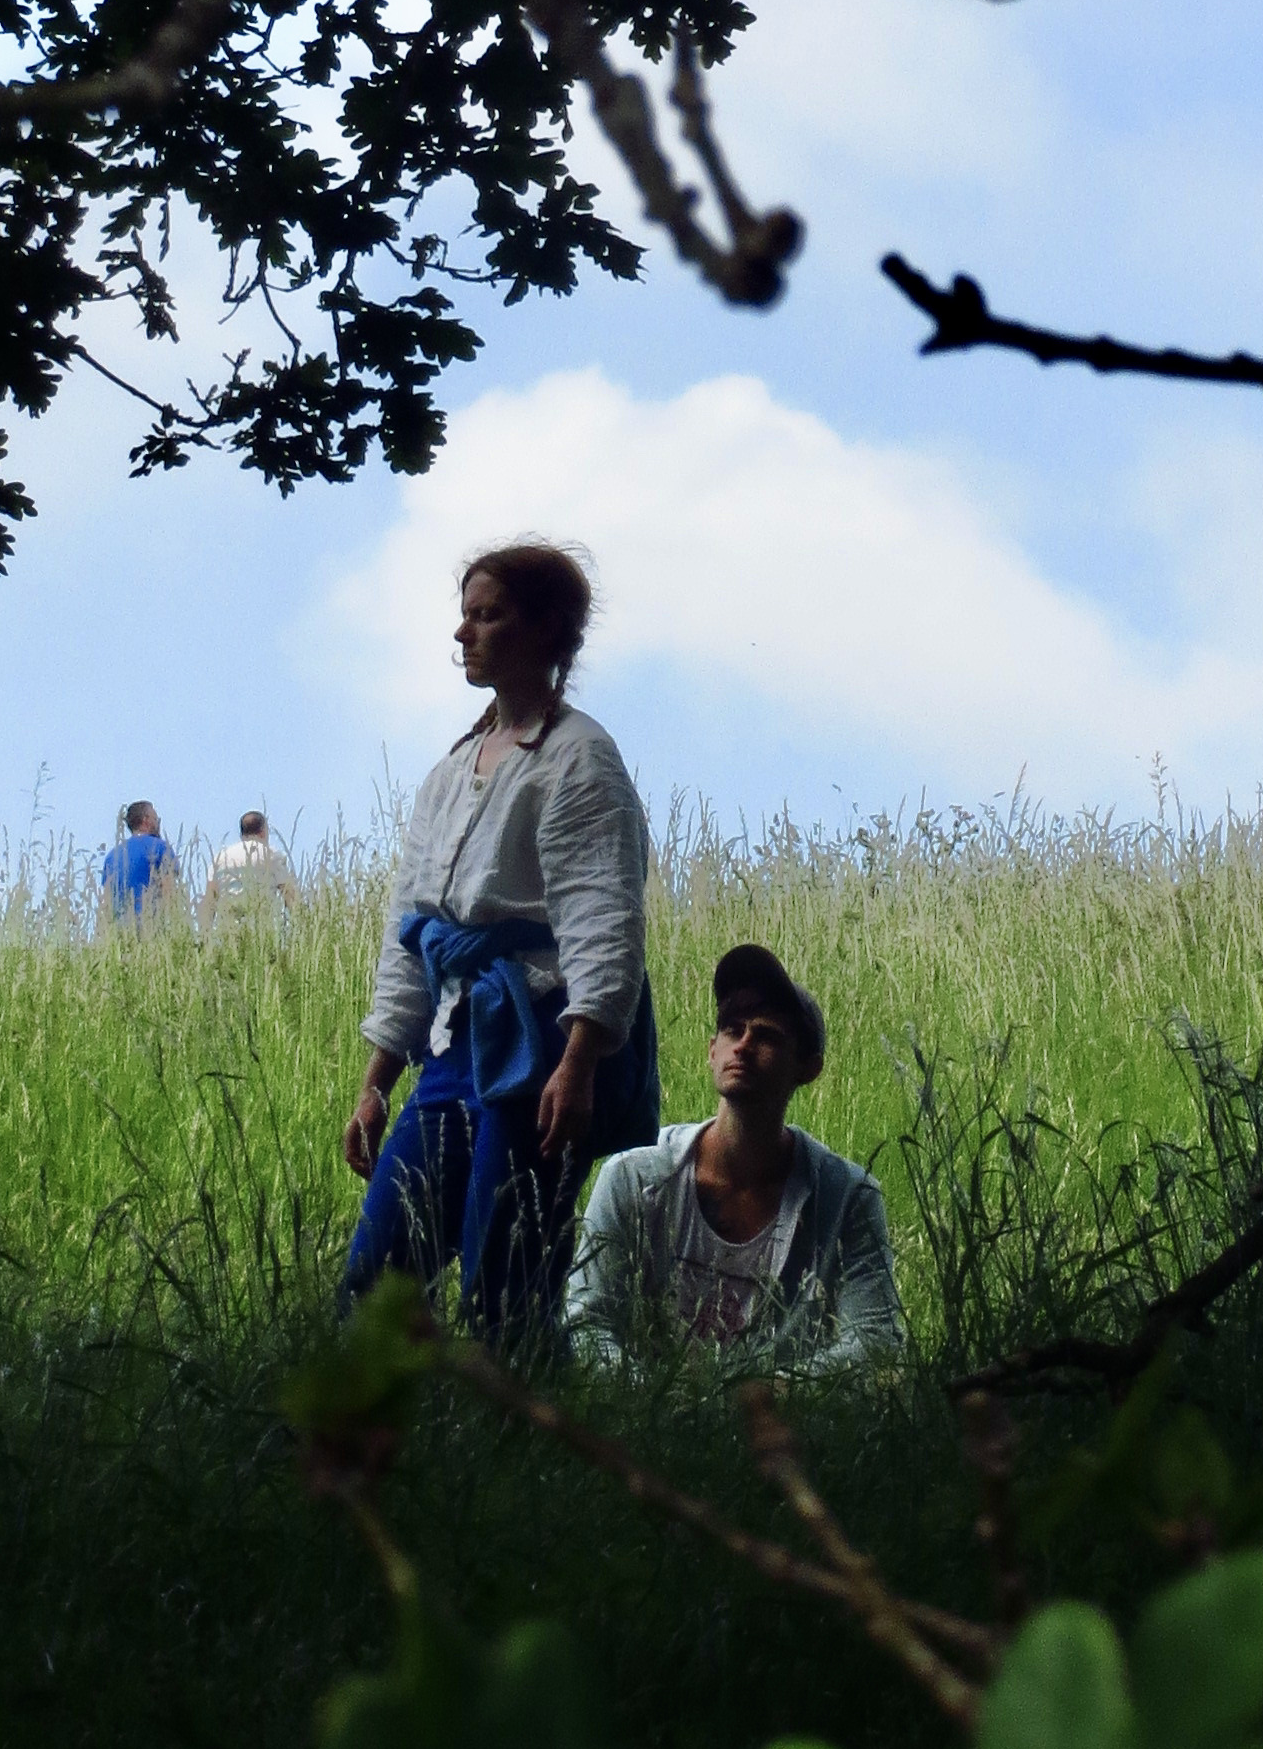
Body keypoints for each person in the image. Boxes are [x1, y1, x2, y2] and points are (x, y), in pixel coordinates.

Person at [342, 541, 658, 1344]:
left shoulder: (579, 759)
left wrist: (580, 1064)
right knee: (374, 1279)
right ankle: (359, 1454)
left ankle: (517, 1444)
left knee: (506, 1280)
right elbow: (413, 935)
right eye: (466, 614)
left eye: (488, 616)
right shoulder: (450, 772)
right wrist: (378, 1082)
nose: (464, 633)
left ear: (547, 630)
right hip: (454, 1051)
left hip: (539, 1043)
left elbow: (600, 920)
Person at [566, 942, 904, 1373]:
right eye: (732, 1029)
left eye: (767, 1036)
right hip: (645, 1424)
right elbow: (586, 1319)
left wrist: (779, 1393)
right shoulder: (633, 1179)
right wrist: (647, 1401)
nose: (742, 1046)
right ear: (711, 1051)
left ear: (809, 1068)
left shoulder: (847, 1199)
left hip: (779, 1424)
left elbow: (875, 1339)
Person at [202, 811, 301, 923]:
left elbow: (209, 901)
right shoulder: (273, 856)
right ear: (263, 832)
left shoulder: (220, 859)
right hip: (261, 928)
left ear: (241, 834)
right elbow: (290, 897)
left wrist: (204, 934)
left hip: (229, 929)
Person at [100, 799, 178, 924]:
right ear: (146, 820)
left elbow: (106, 901)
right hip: (150, 925)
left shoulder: (111, 856)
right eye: (155, 818)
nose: (158, 823)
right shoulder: (161, 848)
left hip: (118, 931)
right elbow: (169, 891)